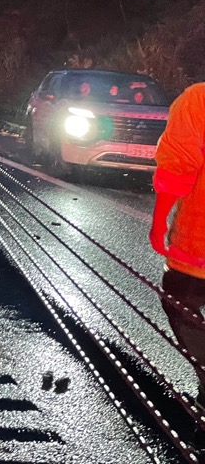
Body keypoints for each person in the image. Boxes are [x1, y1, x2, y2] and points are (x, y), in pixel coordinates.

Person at [151, 82, 205, 438]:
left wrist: (159, 221)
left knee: (180, 299)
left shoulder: (199, 100)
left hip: (199, 246)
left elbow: (179, 165)